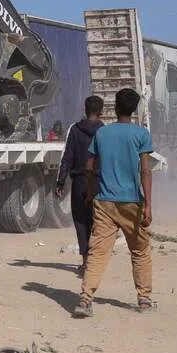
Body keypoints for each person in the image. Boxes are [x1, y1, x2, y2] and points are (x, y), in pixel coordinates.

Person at [73, 87, 155, 317]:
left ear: (116, 107)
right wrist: (148, 205)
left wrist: (90, 193)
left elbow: (89, 166)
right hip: (132, 202)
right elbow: (145, 171)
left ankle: (85, 299)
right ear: (134, 109)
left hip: (104, 202)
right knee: (140, 251)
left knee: (98, 252)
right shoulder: (141, 135)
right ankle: (144, 300)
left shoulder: (102, 133)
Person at [54, 95, 103, 277]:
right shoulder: (104, 131)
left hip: (80, 183)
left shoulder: (75, 130)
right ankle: (95, 262)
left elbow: (67, 157)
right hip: (98, 183)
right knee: (97, 222)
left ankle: (85, 261)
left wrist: (60, 181)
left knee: (81, 222)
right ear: (101, 112)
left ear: (85, 109)